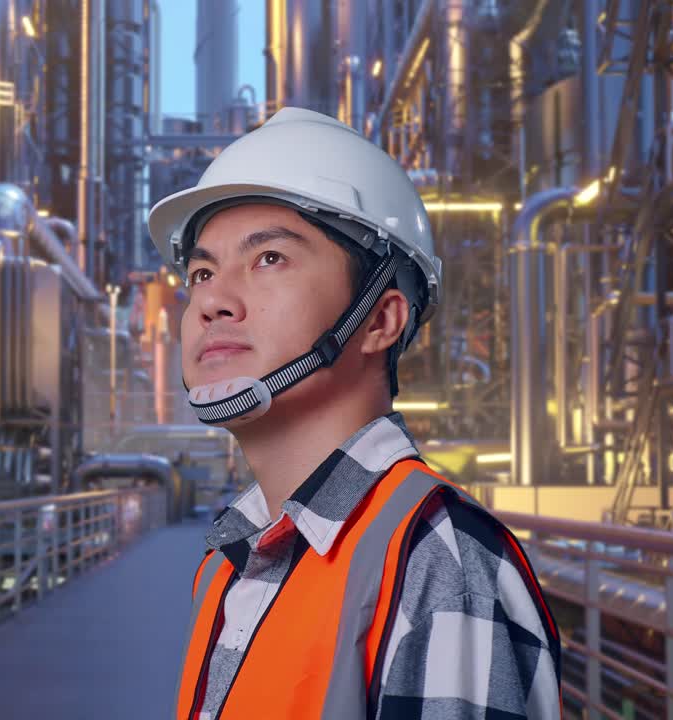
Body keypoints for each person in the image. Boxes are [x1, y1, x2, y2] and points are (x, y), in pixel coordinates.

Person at [148, 107, 561, 720]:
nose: (211, 299)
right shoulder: (227, 562)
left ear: (379, 319)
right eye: (202, 271)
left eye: (269, 260)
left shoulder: (435, 559)